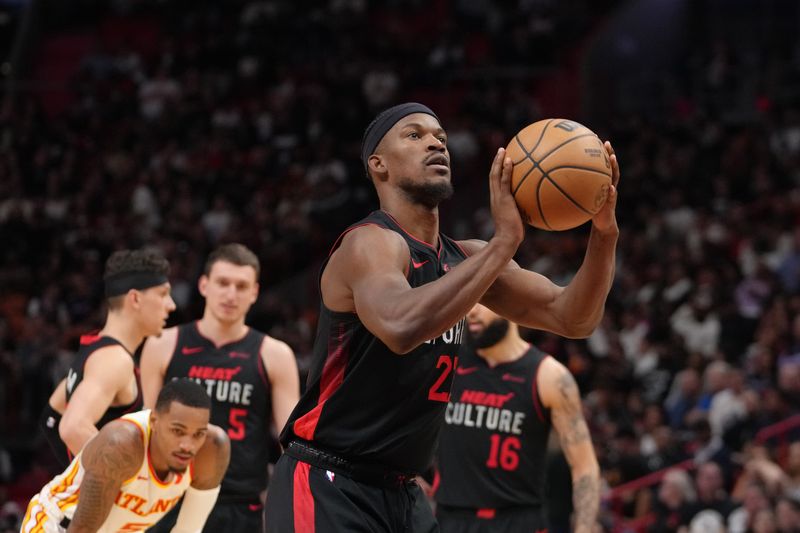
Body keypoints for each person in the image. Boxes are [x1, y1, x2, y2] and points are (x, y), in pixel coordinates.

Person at [264, 102, 620, 532]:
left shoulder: (467, 257)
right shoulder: (370, 244)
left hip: (403, 493)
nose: (435, 142)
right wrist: (504, 242)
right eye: (414, 135)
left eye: (441, 137)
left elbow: (573, 318)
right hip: (328, 482)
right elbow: (401, 326)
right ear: (378, 164)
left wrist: (603, 234)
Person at [140, 243, 300, 532]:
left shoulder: (275, 355)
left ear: (254, 292)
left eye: (241, 286)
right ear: (204, 285)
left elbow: (292, 443)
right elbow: (146, 426)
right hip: (171, 497)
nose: (230, 294)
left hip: (240, 504)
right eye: (223, 283)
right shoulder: (162, 344)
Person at [433, 303, 601, 533]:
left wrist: (584, 528)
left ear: (509, 303)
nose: (471, 311)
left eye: (483, 302)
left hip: (518, 520)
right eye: (469, 301)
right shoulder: (448, 361)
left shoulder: (549, 375)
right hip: (450, 519)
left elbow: (584, 466)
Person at [21, 378, 231, 533]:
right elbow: (82, 528)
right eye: (177, 431)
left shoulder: (212, 449)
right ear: (154, 422)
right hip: (59, 525)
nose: (188, 445)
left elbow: (189, 529)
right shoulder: (121, 445)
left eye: (198, 434)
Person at [39, 248, 176, 466]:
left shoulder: (96, 348)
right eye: (162, 294)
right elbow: (72, 427)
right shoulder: (113, 360)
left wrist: (73, 476)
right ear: (135, 299)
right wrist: (129, 484)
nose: (172, 305)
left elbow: (51, 419)